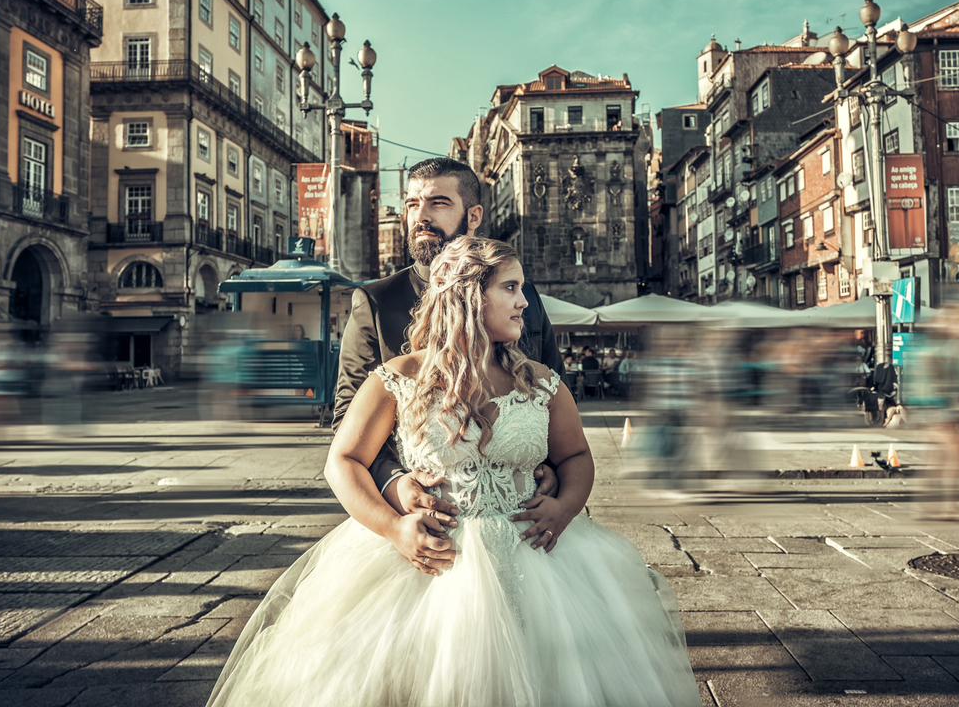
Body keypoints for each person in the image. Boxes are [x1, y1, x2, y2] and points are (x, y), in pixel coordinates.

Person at [206, 237, 701, 707]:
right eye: (510, 287)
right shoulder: (398, 378)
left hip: (540, 558)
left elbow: (576, 458)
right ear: (466, 295)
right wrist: (394, 527)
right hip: (430, 562)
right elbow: (344, 461)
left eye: (521, 288)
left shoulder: (542, 382)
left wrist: (566, 506)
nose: (524, 301)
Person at [334, 157, 564, 575]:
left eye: (438, 202)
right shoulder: (375, 301)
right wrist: (394, 484)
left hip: (524, 534)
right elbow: (346, 418)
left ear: (473, 215)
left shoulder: (520, 299)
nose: (420, 215)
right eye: (411, 204)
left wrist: (548, 467)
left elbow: (552, 399)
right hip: (425, 531)